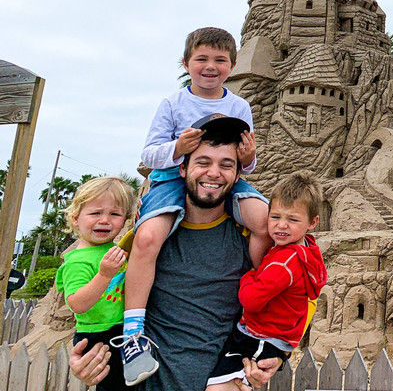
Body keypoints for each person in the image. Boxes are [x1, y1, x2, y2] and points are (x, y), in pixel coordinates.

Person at [70, 117, 282, 391]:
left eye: (226, 165)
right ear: (182, 168)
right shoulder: (147, 237)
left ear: (238, 176)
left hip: (217, 380)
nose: (214, 173)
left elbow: (294, 290)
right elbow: (95, 298)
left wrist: (278, 354)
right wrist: (87, 360)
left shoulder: (250, 236)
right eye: (203, 162)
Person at [121, 27, 272, 384]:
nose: (210, 66)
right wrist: (179, 148)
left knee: (265, 221)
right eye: (201, 59)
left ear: (232, 65)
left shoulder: (239, 106)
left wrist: (248, 159)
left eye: (220, 60)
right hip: (172, 177)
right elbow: (148, 153)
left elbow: (241, 161)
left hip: (227, 180)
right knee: (147, 238)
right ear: (186, 63)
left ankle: (256, 299)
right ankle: (133, 332)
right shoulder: (173, 104)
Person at [206, 171, 327, 390]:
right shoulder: (308, 249)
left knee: (220, 387)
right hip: (274, 338)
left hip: (259, 337)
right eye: (275, 217)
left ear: (313, 222)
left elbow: (251, 300)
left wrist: (250, 274)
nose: (281, 225)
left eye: (292, 219)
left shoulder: (284, 263)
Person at [54, 177, 137, 391]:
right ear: (75, 218)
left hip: (122, 328)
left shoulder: (117, 249)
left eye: (115, 214)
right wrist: (104, 275)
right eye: (95, 213)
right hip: (97, 335)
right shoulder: (77, 260)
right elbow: (77, 305)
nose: (105, 220)